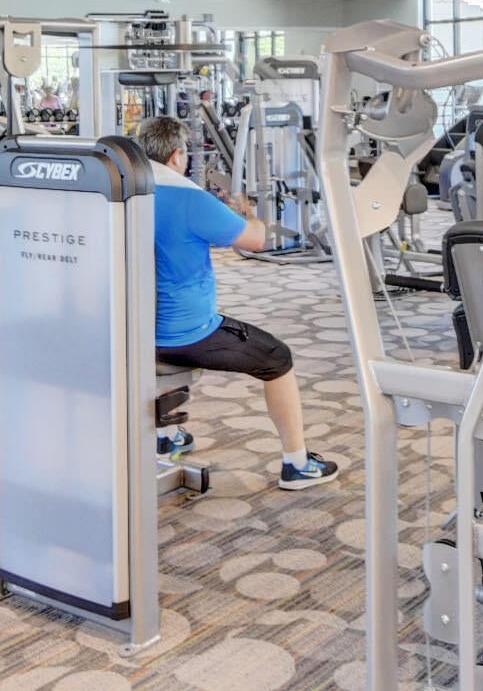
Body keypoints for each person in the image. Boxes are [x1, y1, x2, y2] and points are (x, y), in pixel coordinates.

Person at [129, 114, 337, 490]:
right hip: (188, 335)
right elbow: (256, 241)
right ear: (177, 155)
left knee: (161, 348)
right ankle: (297, 463)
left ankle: (168, 437)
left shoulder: (126, 191)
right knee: (278, 358)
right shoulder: (191, 199)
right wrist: (249, 213)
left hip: (133, 330)